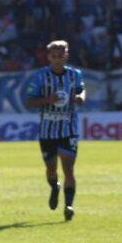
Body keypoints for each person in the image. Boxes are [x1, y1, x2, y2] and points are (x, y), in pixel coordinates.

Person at [25, 40, 85, 221]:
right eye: (54, 56)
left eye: (61, 56)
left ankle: (69, 205)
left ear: (66, 56)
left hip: (69, 128)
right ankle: (54, 187)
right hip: (47, 131)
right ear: (49, 57)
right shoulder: (40, 76)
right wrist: (47, 100)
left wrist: (80, 97)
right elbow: (29, 101)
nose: (58, 59)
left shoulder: (75, 74)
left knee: (68, 168)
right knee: (51, 169)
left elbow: (81, 90)